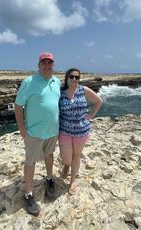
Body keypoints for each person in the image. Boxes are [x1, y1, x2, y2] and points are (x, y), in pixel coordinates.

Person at [14, 52, 61, 216]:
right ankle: (28, 193)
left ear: (53, 65)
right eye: (44, 63)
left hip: (52, 130)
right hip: (34, 132)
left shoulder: (57, 82)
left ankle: (49, 179)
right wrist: (22, 129)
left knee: (49, 154)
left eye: (50, 63)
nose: (47, 66)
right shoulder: (29, 82)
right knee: (30, 162)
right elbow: (18, 106)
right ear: (39, 65)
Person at [58, 68, 102, 195]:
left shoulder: (83, 90)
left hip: (81, 130)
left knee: (76, 156)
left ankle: (72, 181)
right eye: (71, 76)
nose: (74, 79)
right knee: (66, 158)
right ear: (67, 78)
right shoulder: (60, 93)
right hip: (65, 130)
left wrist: (91, 116)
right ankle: (66, 166)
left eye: (77, 77)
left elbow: (99, 101)